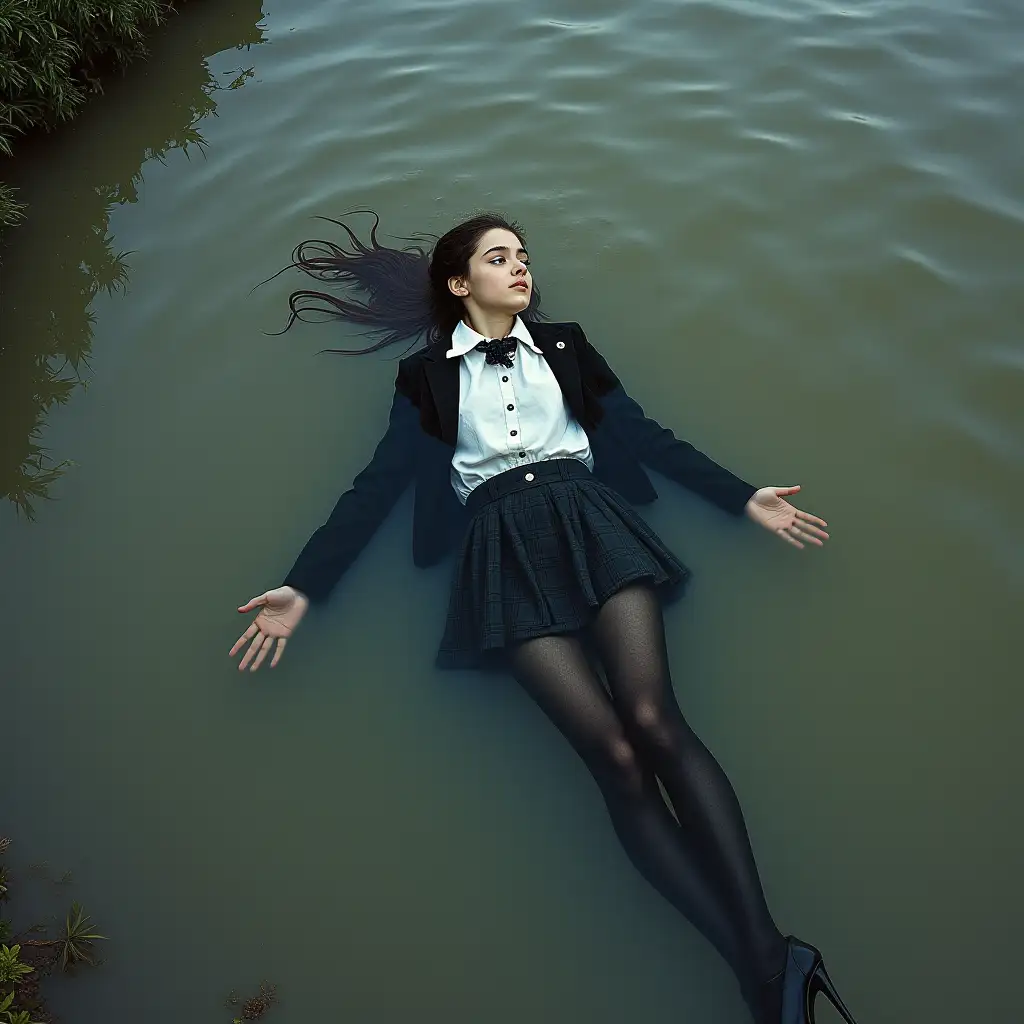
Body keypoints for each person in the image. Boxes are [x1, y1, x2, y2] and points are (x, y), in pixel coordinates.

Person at [229, 211, 858, 1024]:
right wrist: (302, 589)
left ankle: (767, 960)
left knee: (653, 720)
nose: (521, 267)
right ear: (461, 284)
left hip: (592, 519)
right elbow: (376, 487)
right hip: (497, 549)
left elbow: (641, 433)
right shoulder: (425, 379)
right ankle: (766, 962)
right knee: (614, 759)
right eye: (499, 258)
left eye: (524, 256)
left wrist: (742, 496)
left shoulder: (566, 345)